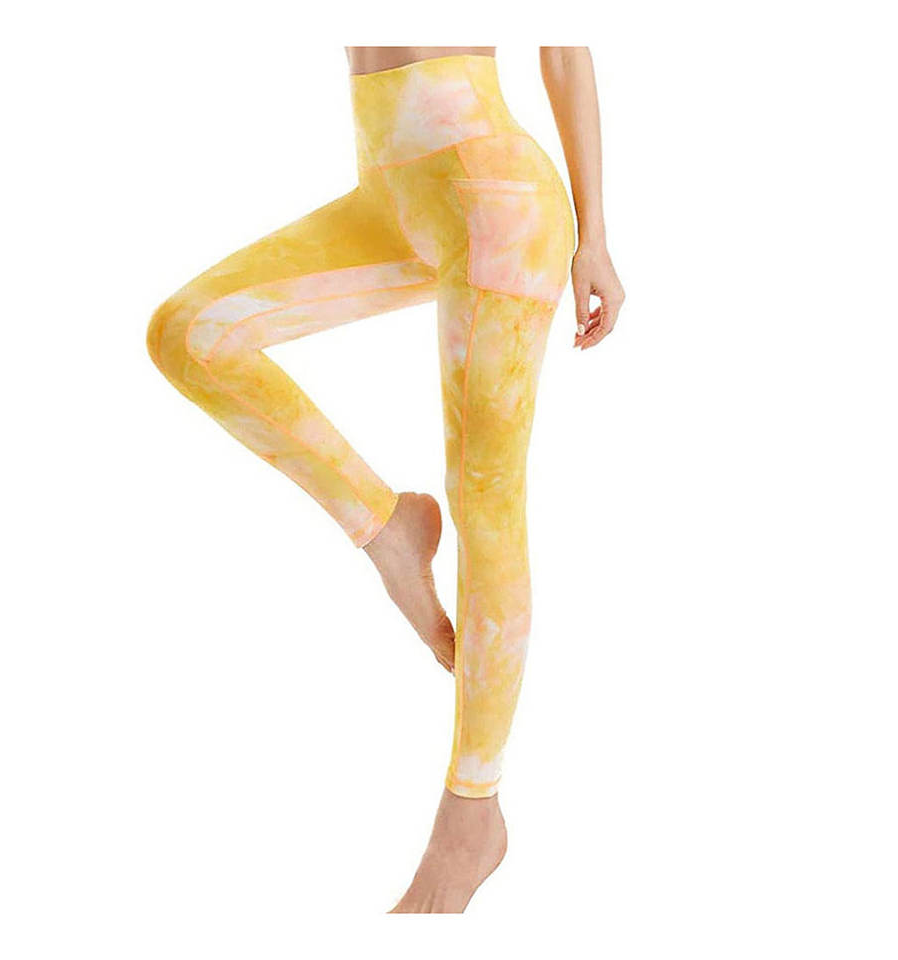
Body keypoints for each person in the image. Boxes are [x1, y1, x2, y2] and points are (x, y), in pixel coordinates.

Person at [147, 45, 624, 913]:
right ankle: (387, 527)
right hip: (391, 196)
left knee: (486, 498)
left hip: (494, 197)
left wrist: (594, 237)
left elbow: (564, 46)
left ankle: (471, 818)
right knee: (189, 333)